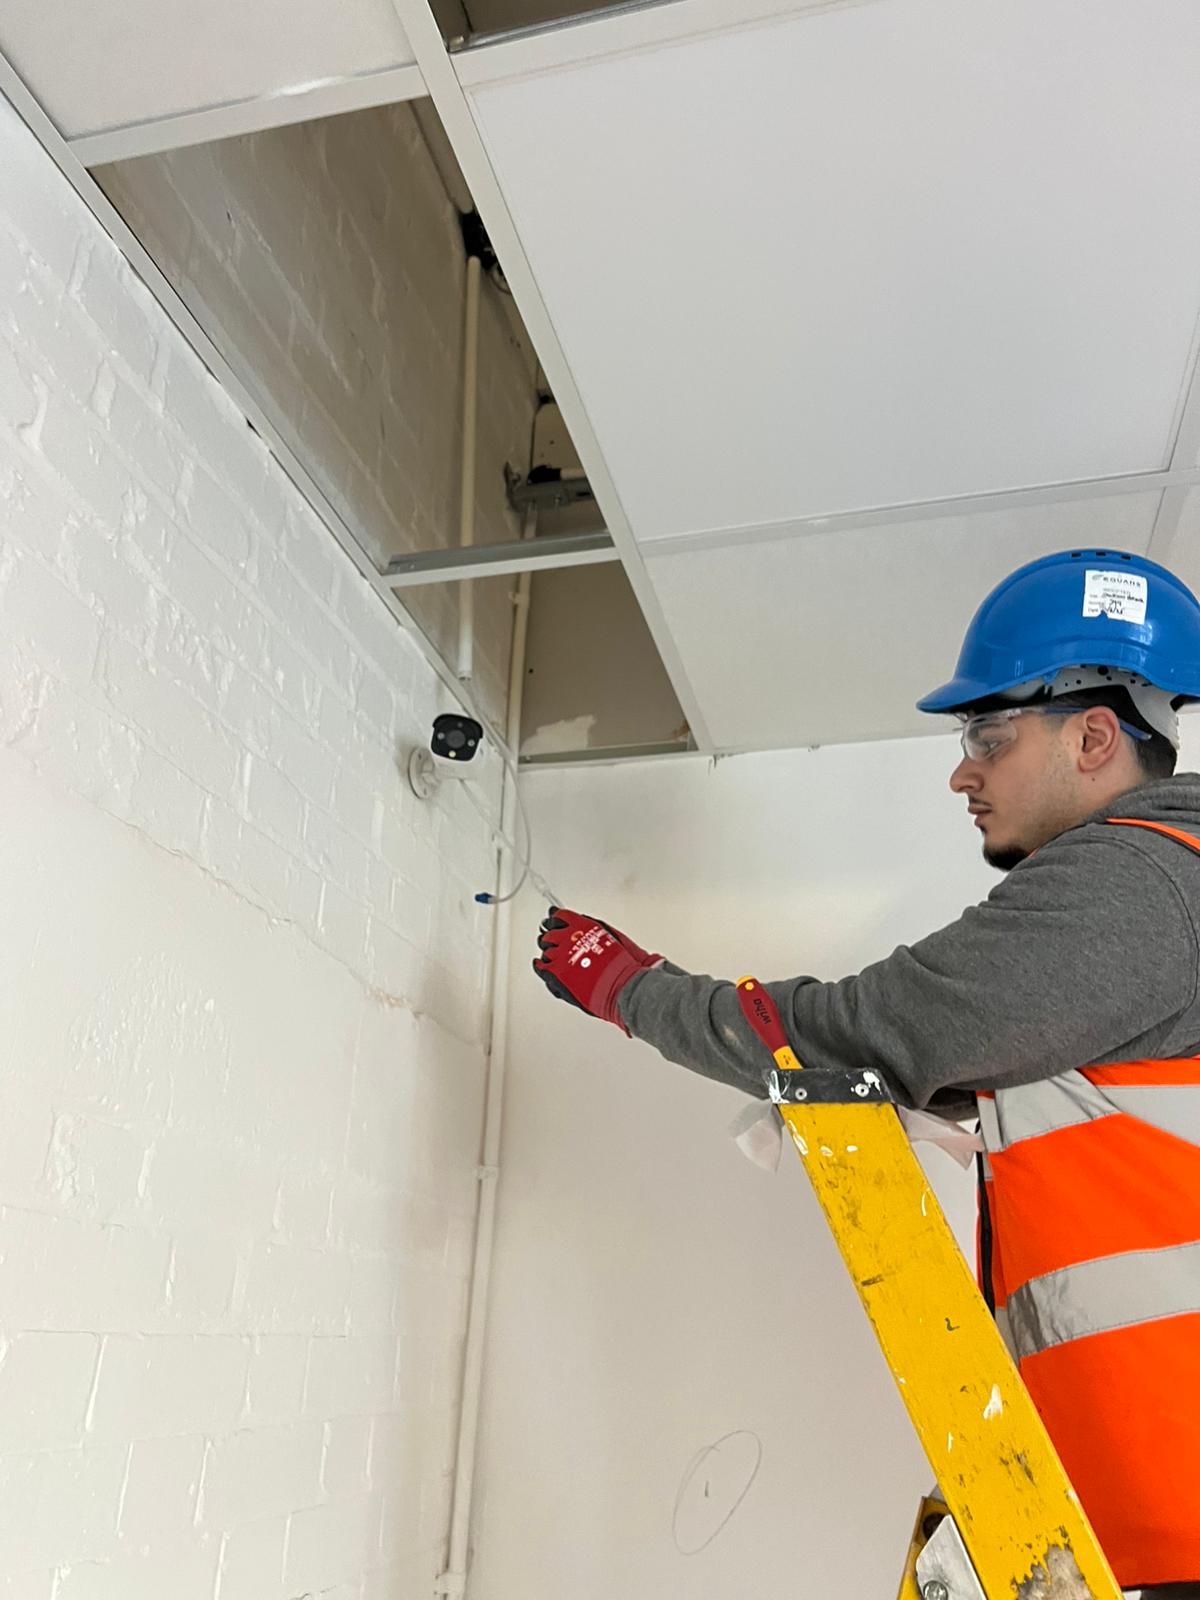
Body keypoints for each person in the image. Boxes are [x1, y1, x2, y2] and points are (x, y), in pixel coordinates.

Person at [532, 548, 1200, 1600]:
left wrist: (632, 989)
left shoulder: (1138, 884)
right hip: (1142, 1509)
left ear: (1094, 736)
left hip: (1174, 1511)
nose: (963, 772)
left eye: (988, 736)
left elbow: (860, 1035)